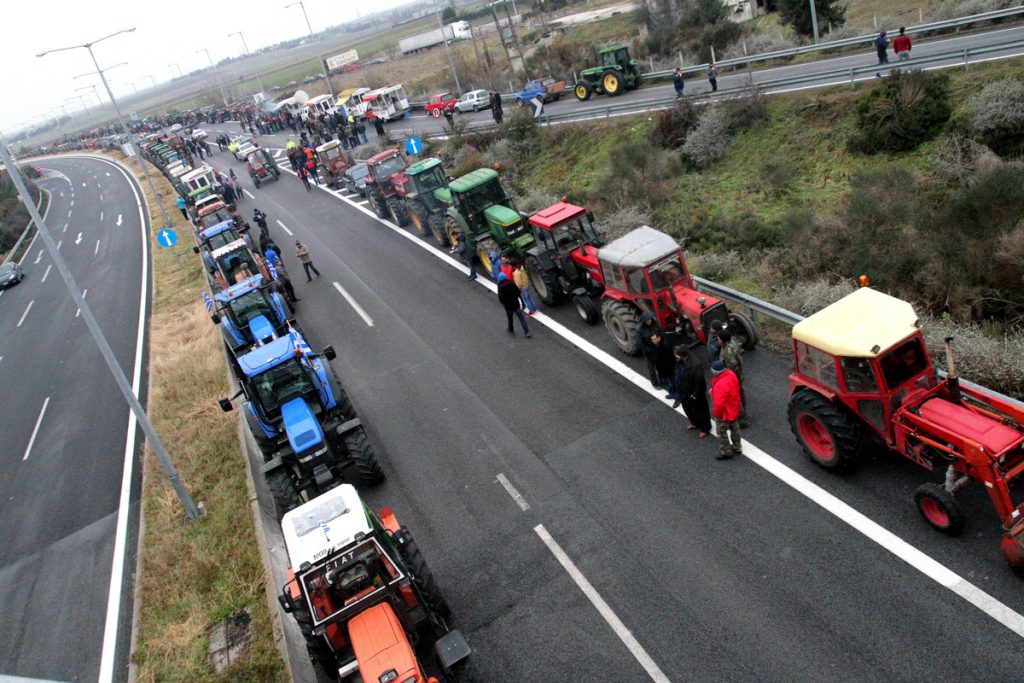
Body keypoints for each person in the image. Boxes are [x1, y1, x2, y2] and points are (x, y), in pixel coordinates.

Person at [671, 345, 711, 438]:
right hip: (684, 392)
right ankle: (695, 423)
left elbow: (699, 381)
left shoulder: (695, 365)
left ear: (681, 355)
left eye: (676, 355)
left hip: (694, 394)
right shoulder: (681, 362)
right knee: (688, 409)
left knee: (701, 411)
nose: (675, 356)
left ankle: (705, 428)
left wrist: (695, 394)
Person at [710, 360, 742, 459]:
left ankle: (726, 452)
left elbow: (719, 403)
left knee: (721, 432)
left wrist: (716, 414)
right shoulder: (731, 374)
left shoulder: (720, 384)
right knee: (735, 427)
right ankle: (737, 447)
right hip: (733, 407)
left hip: (725, 413)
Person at [718, 329, 748, 427]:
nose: (717, 340)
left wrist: (728, 378)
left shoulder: (728, 351)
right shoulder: (732, 342)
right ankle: (743, 411)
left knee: (735, 398)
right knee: (740, 393)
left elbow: (732, 365)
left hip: (733, 377)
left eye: (718, 338)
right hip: (738, 375)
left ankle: (741, 420)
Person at [635, 311, 664, 387]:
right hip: (649, 352)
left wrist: (660, 339)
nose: (649, 321)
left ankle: (662, 380)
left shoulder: (655, 323)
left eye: (649, 319)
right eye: (647, 320)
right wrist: (648, 350)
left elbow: (661, 332)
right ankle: (655, 384)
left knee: (660, 365)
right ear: (643, 321)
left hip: (658, 348)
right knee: (652, 369)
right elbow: (639, 343)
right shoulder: (640, 330)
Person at [497, 272, 531, 338]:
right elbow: (518, 292)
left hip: (508, 307)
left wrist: (505, 304)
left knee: (510, 318)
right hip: (516, 304)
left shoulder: (500, 287)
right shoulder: (511, 283)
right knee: (521, 319)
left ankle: (511, 329)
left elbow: (501, 298)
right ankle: (527, 332)